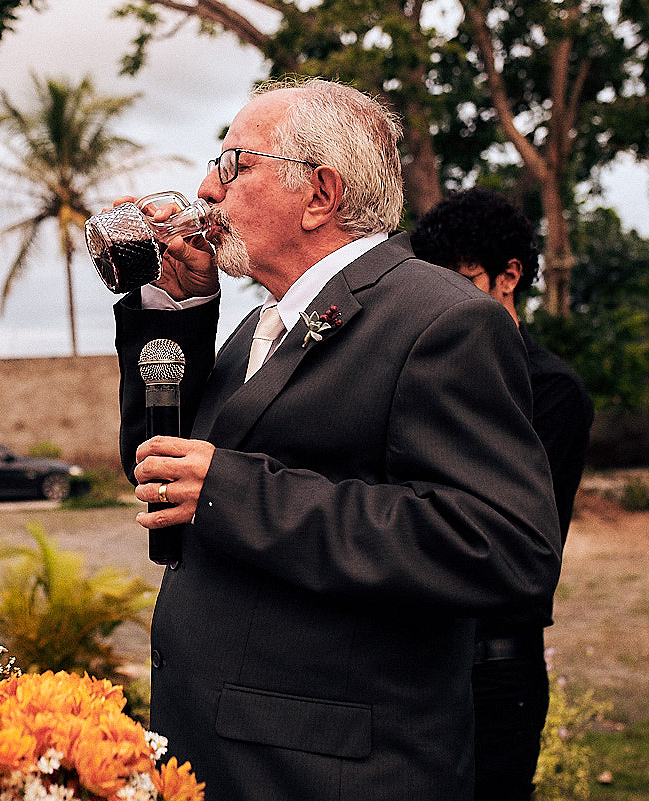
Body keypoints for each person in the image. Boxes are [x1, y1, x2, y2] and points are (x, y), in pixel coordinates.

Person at [112, 77, 562, 801]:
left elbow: (505, 545)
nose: (206, 187)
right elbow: (160, 467)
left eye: (234, 164)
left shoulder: (439, 320)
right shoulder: (265, 323)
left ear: (320, 194)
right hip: (216, 756)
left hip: (331, 771)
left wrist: (231, 492)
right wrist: (181, 306)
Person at [411, 187, 595, 801]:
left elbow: (509, 543)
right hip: (416, 661)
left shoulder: (553, 392)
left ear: (508, 275)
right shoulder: (427, 375)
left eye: (460, 283)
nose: (442, 307)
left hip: (496, 669)